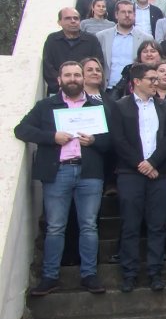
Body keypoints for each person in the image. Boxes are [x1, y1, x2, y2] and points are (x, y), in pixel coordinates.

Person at [15, 61, 110, 296]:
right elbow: (21, 130)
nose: (73, 79)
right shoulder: (46, 106)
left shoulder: (96, 106)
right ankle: (50, 277)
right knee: (55, 226)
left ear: (83, 79)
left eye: (77, 75)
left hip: (89, 173)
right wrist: (52, 136)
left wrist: (95, 141)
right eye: (68, 75)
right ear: (59, 80)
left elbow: (112, 142)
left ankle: (89, 275)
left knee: (89, 225)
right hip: (58, 172)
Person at [109, 63, 166, 292]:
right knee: (130, 225)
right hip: (130, 174)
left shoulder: (164, 106)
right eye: (151, 79)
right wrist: (141, 164)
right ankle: (129, 273)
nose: (155, 83)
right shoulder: (120, 106)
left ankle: (155, 272)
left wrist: (153, 163)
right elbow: (118, 140)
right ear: (136, 81)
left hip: (158, 173)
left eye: (157, 79)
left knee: (158, 225)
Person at [96, 0, 155, 94]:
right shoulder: (102, 36)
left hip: (135, 90)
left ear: (134, 15)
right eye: (123, 12)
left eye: (130, 12)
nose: (127, 15)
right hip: (108, 89)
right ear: (116, 15)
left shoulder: (146, 38)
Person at [43, 8, 104, 94]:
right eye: (68, 18)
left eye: (76, 18)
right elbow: (48, 66)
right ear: (59, 22)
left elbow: (99, 64)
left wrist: (83, 85)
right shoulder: (52, 40)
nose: (73, 21)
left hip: (86, 92)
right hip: (58, 91)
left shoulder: (91, 40)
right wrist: (61, 85)